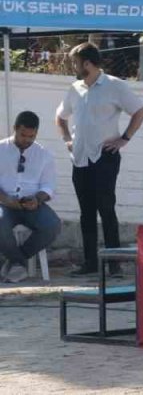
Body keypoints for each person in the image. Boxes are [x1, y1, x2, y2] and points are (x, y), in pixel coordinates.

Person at [55, 42, 143, 276]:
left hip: (105, 156)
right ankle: (89, 263)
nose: (73, 67)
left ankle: (114, 263)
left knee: (106, 208)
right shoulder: (74, 88)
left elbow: (140, 111)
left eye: (75, 62)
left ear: (87, 63)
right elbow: (60, 117)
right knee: (86, 212)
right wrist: (67, 139)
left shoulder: (115, 86)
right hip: (80, 158)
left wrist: (124, 138)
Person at [0, 112, 61, 284]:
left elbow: (48, 186)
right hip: (5, 203)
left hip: (32, 205)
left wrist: (38, 200)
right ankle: (19, 264)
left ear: (36, 133)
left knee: (53, 225)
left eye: (31, 136)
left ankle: (16, 261)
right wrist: (6, 199)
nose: (27, 139)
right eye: (23, 135)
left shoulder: (44, 155)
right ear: (15, 129)